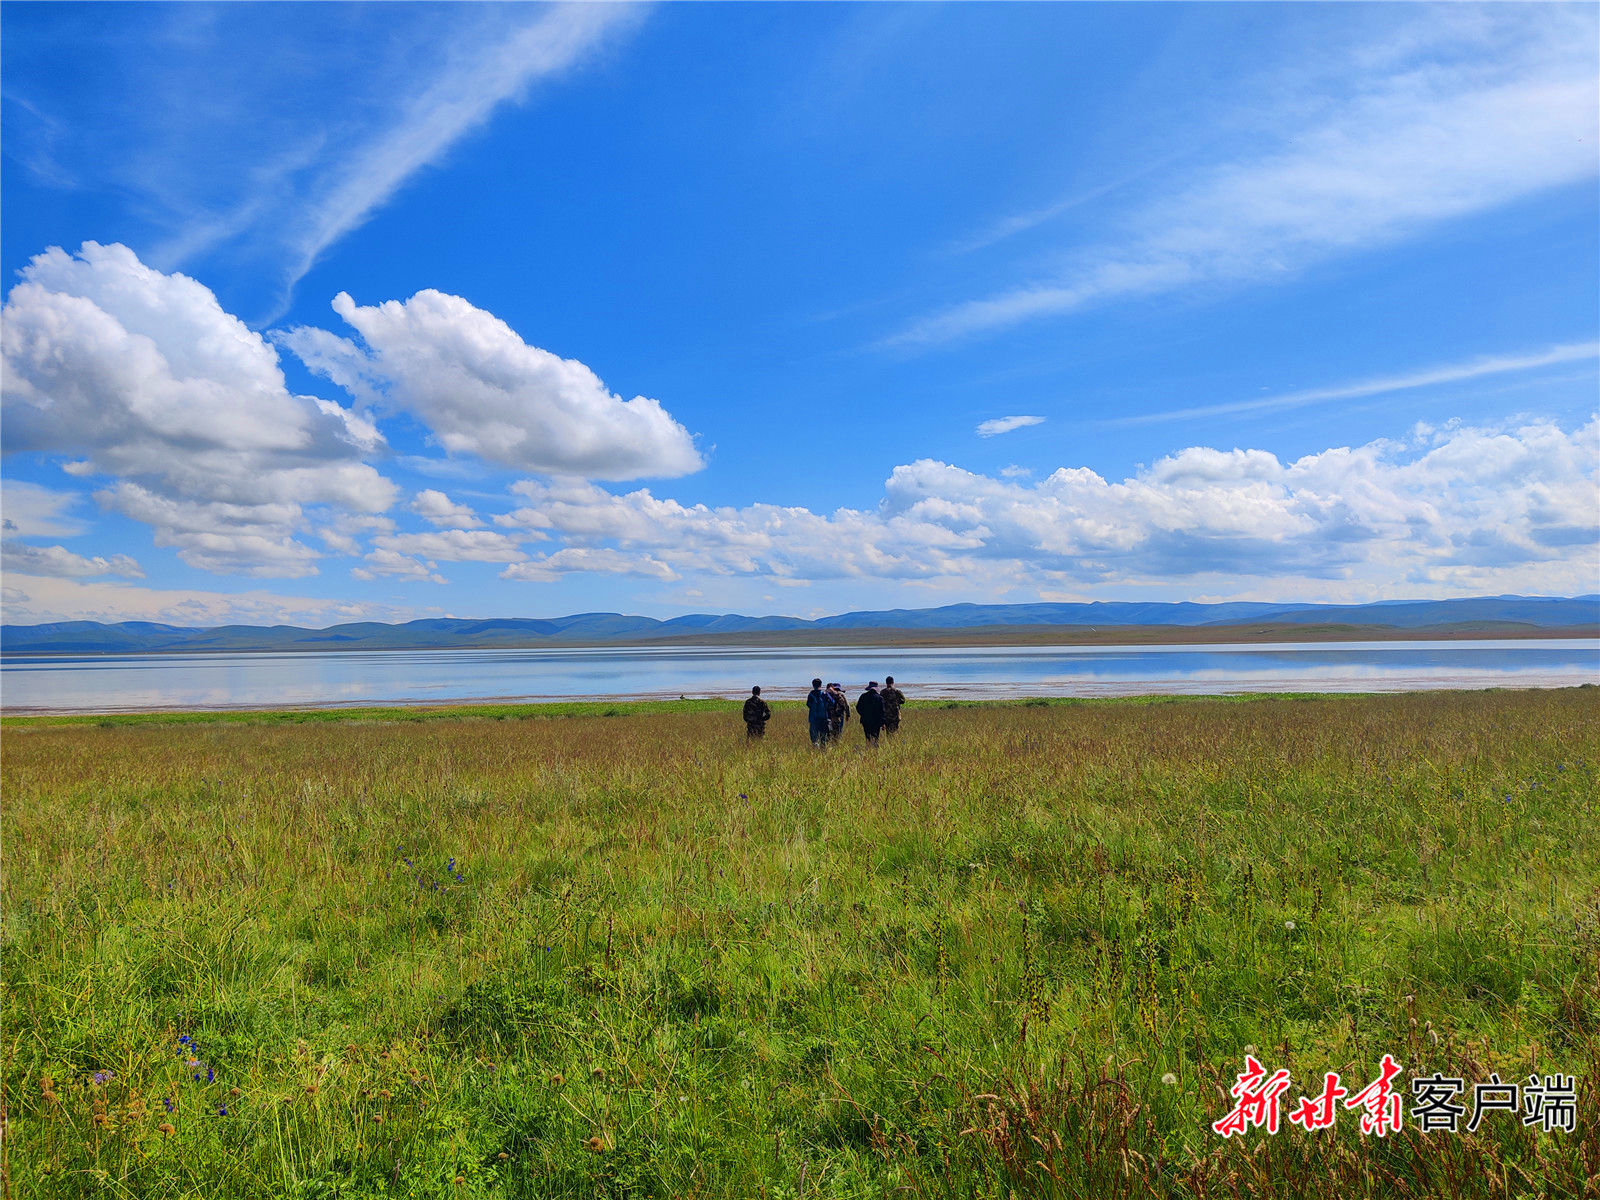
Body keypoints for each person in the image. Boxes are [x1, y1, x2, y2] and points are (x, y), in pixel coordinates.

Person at [806, 678, 829, 747]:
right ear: (821, 685)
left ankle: (815, 751)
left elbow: (808, 704)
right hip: (824, 720)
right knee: (823, 740)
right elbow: (831, 703)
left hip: (814, 720)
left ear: (813, 685)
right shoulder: (824, 694)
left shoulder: (811, 695)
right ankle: (823, 751)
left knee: (814, 740)